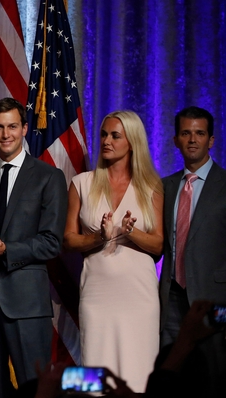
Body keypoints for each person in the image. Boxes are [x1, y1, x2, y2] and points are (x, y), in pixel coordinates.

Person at [0, 98, 67, 398]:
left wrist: (7, 251)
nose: (6, 134)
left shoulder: (49, 177)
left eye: (12, 127)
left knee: (35, 389)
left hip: (27, 304)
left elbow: (52, 241)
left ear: (24, 129)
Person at [63, 111, 163, 392]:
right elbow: (69, 240)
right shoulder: (82, 183)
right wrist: (98, 237)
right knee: (97, 379)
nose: (106, 141)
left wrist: (132, 232)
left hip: (139, 297)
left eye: (115, 135)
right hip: (97, 295)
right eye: (104, 135)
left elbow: (158, 245)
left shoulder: (153, 187)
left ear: (132, 142)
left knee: (139, 375)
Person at [159, 106, 226, 396]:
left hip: (216, 301)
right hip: (171, 298)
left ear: (211, 140)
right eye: (186, 133)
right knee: (172, 374)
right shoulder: (165, 187)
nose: (192, 139)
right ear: (176, 140)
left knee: (216, 373)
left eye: (200, 133)